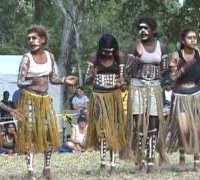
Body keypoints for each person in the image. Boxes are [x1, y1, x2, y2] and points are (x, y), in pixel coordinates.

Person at [17, 25, 78, 179]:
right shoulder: (26, 58)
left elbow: (54, 78)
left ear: (43, 39)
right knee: (30, 134)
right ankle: (30, 170)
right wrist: (34, 80)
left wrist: (65, 80)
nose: (31, 41)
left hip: (44, 100)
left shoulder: (50, 57)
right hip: (29, 99)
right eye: (29, 38)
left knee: (49, 134)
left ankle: (47, 168)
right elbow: (20, 81)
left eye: (34, 38)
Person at [124, 16, 168, 173]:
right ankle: (140, 158)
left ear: (153, 30)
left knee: (153, 124)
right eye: (140, 28)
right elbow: (127, 71)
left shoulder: (161, 47)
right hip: (137, 87)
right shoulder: (135, 47)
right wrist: (136, 55)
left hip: (154, 88)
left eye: (145, 28)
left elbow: (164, 70)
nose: (142, 31)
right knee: (139, 124)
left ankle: (151, 159)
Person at [166, 27, 200, 172]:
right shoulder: (177, 55)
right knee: (184, 129)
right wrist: (184, 67)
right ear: (183, 40)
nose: (193, 40)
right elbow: (172, 77)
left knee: (197, 129)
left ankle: (196, 163)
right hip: (181, 95)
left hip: (196, 95)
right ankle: (182, 159)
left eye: (195, 38)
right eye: (189, 38)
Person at [84, 33, 126, 175]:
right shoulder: (93, 57)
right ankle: (102, 164)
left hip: (114, 97)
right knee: (102, 131)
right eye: (104, 51)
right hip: (98, 97)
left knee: (113, 130)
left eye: (110, 52)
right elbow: (86, 81)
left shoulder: (119, 56)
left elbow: (122, 80)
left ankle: (113, 165)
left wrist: (121, 82)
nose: (107, 54)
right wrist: (92, 75)